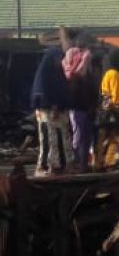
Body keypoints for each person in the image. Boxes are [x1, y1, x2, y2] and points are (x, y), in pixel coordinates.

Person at [30, 44, 73, 176]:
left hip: (58, 111)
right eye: (58, 58)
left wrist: (60, 105)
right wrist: (53, 105)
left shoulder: (56, 72)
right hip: (48, 111)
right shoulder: (45, 73)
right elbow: (44, 91)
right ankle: (49, 166)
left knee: (62, 138)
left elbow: (62, 90)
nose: (59, 61)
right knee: (50, 139)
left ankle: (63, 165)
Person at [62, 29, 96, 171]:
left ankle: (83, 163)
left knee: (84, 136)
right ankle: (78, 163)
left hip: (84, 108)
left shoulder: (82, 75)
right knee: (79, 136)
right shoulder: (75, 76)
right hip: (78, 108)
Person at [96, 48, 119, 169]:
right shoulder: (115, 74)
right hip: (115, 112)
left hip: (106, 111)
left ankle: (102, 162)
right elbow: (117, 97)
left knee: (107, 137)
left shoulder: (106, 73)